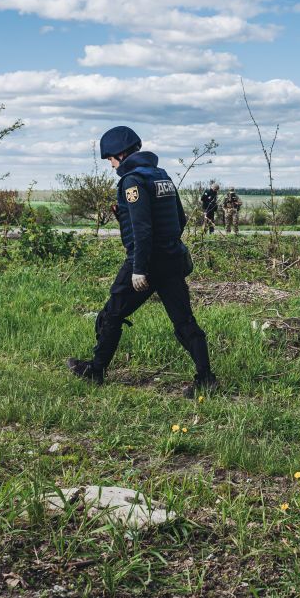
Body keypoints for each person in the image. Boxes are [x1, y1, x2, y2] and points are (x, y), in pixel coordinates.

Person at [68, 125, 218, 398]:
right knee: (184, 322)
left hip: (145, 261)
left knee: (112, 313)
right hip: (171, 259)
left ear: (121, 154)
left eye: (110, 158)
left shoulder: (132, 181)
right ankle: (206, 378)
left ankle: (96, 370)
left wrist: (139, 269)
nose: (110, 164)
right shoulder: (162, 176)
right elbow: (179, 219)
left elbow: (142, 229)